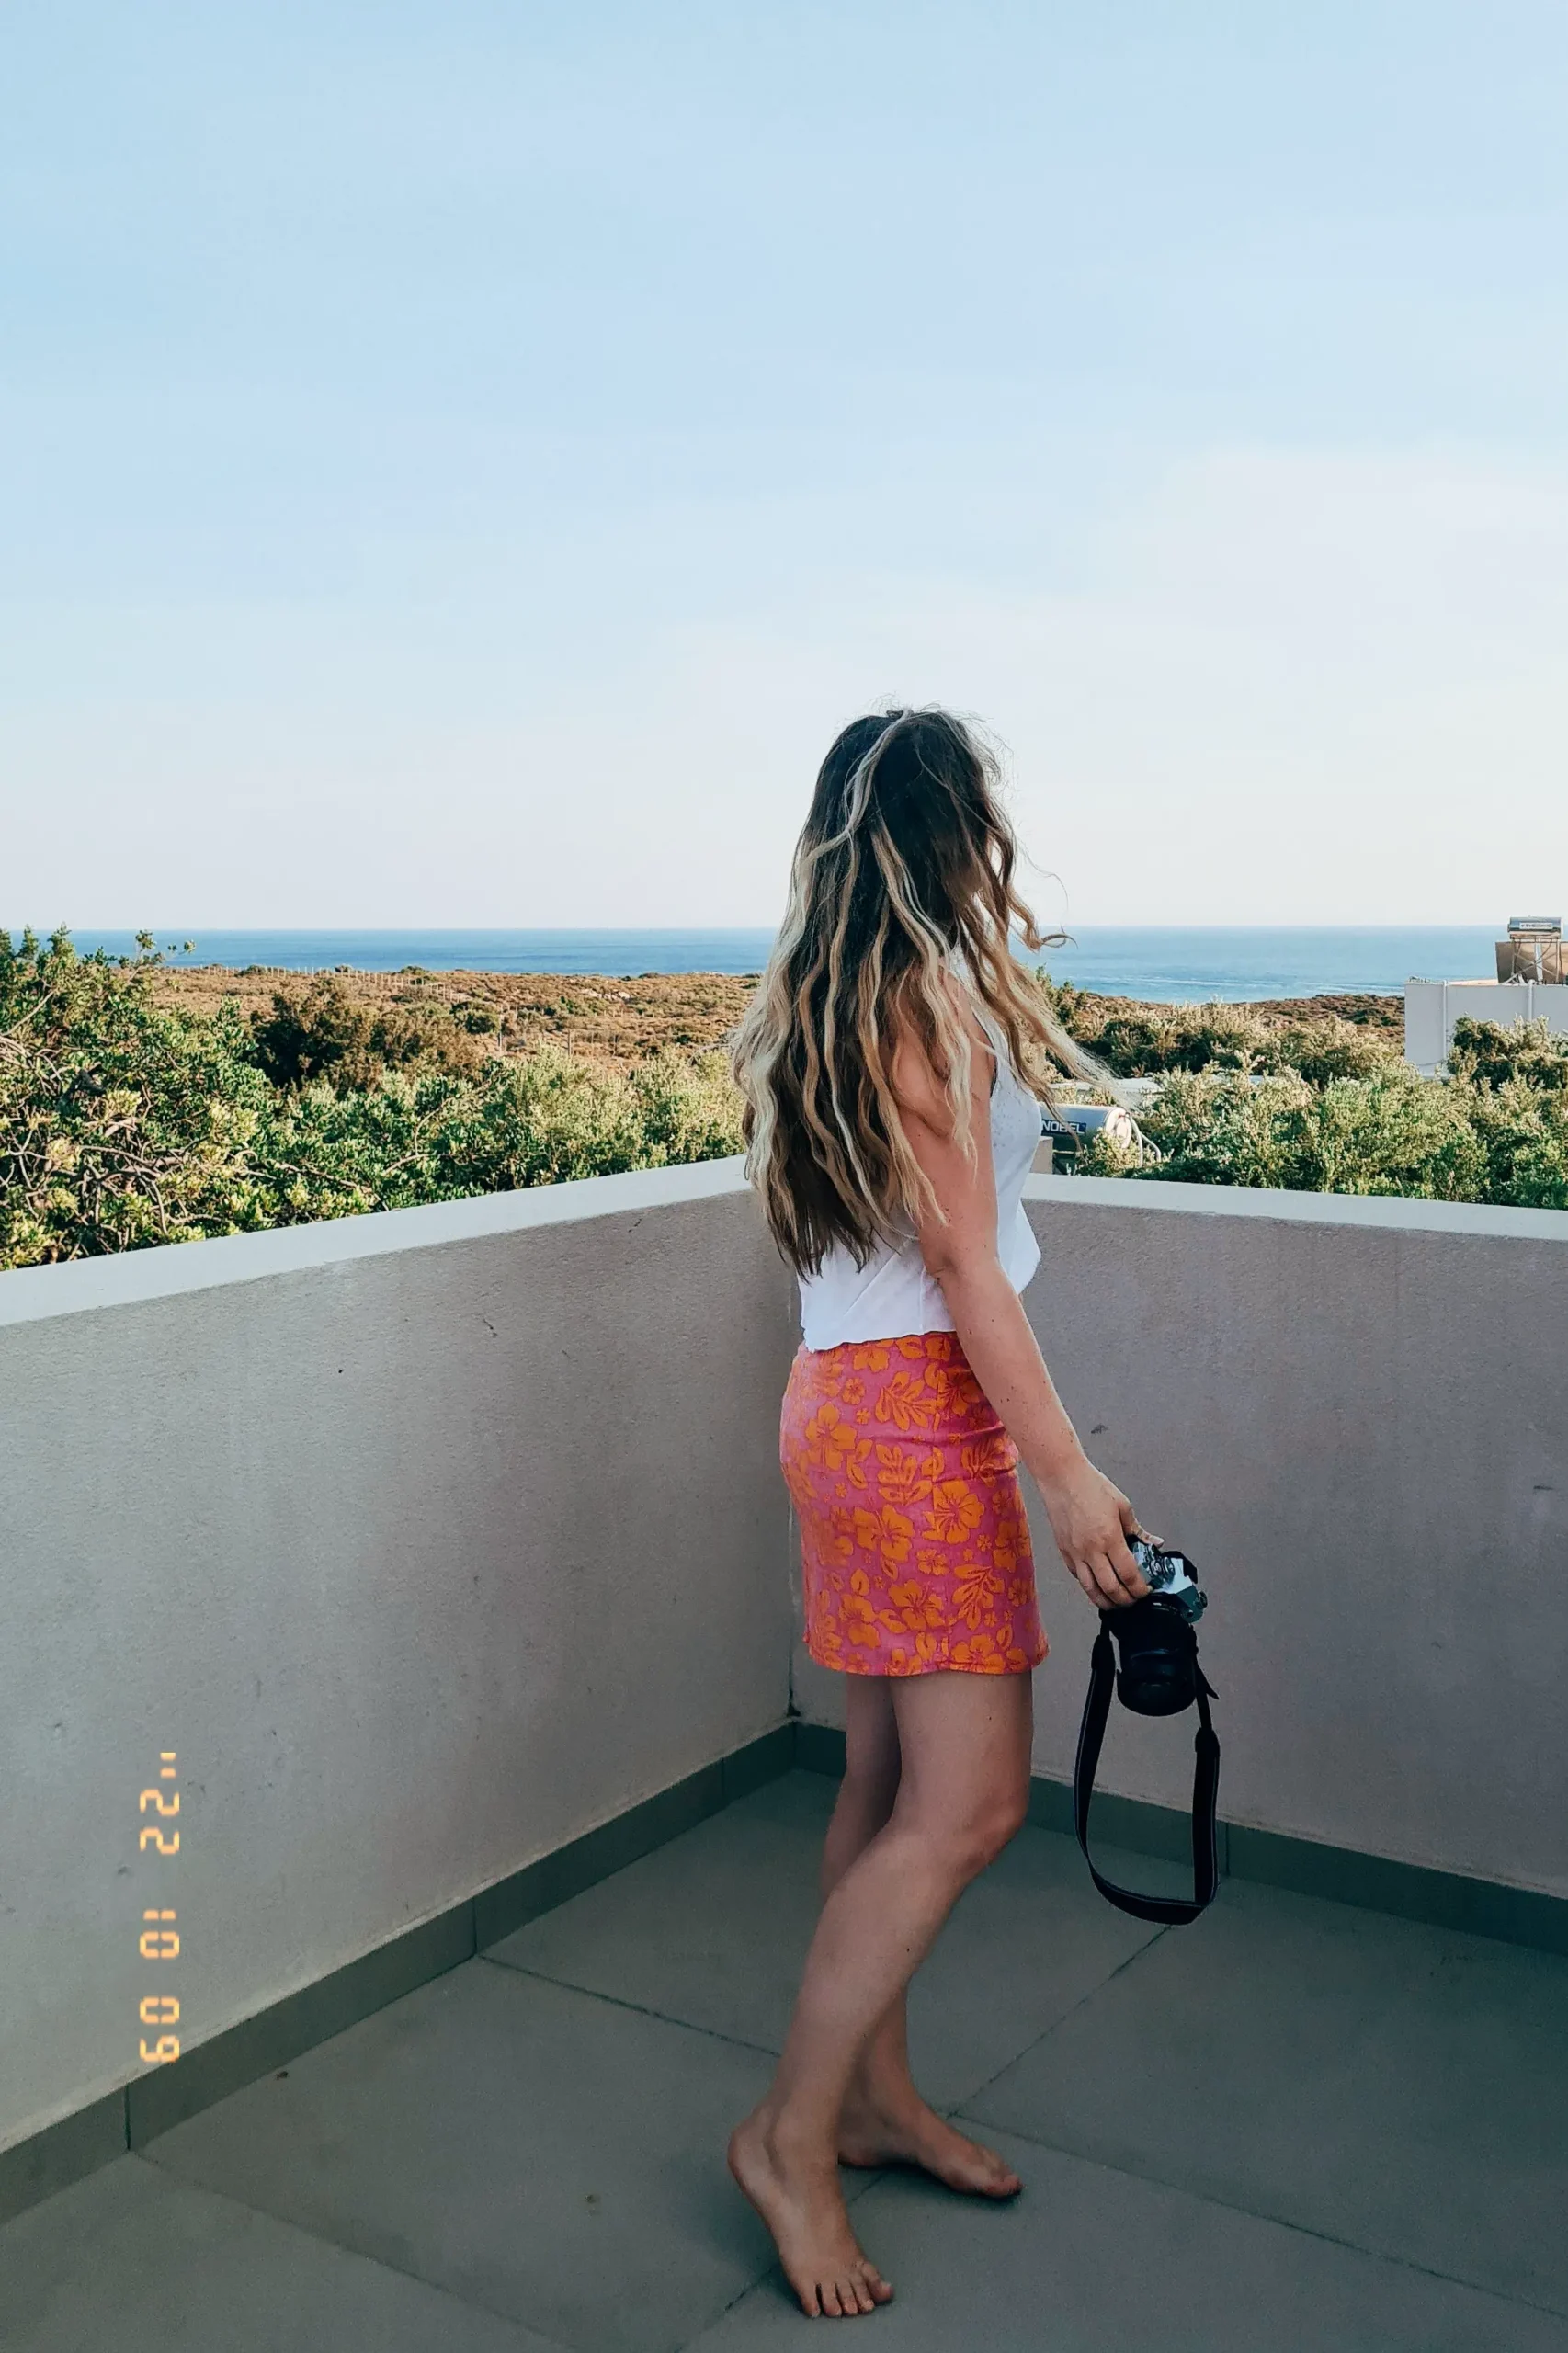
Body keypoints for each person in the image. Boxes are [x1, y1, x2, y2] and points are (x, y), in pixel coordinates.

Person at [726, 708, 1153, 2319]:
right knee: (964, 1811)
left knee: (892, 1776)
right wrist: (1067, 1476)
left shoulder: (833, 1001)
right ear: (953, 829)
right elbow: (967, 1267)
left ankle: (875, 2099)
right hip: (914, 1422)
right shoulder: (927, 1002)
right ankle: (789, 2140)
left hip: (850, 1408)